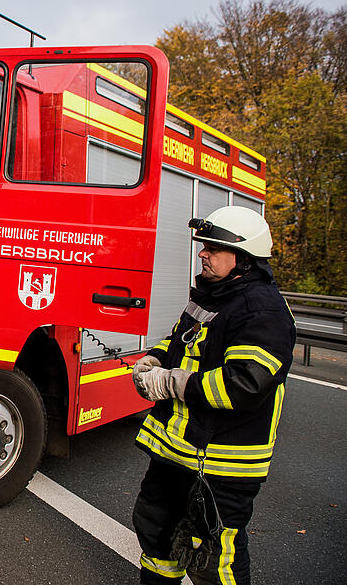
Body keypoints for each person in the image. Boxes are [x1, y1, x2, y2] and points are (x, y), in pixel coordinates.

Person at [131, 206, 295, 585]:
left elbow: (245, 384)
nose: (203, 253)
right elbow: (180, 341)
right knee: (156, 533)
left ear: (244, 259)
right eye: (204, 245)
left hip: (222, 465)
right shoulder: (213, 295)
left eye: (213, 248)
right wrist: (153, 360)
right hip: (177, 454)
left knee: (214, 559)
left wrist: (171, 383)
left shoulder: (261, 309)